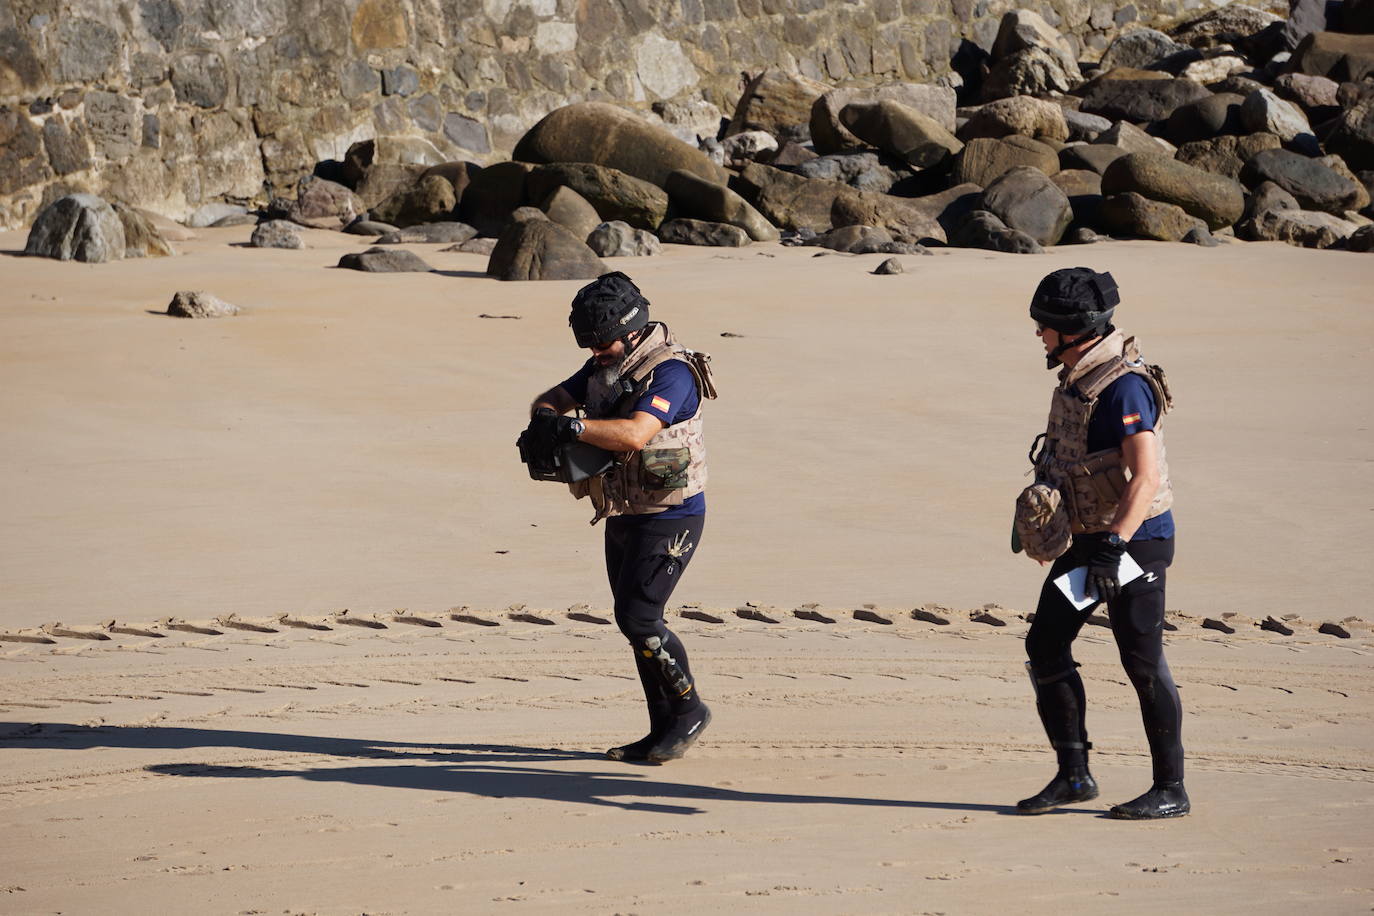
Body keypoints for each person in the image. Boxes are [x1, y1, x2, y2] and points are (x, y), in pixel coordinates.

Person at [1011, 267, 1188, 819]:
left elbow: (1146, 478)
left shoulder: (1126, 387)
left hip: (1135, 547)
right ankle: (1074, 776)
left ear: (1072, 328)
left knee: (1142, 661)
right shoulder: (1076, 377)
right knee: (1045, 644)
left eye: (1044, 326)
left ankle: (1170, 789)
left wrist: (1116, 545)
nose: (1038, 334)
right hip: (1088, 546)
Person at [524, 271, 715, 764]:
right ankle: (661, 730)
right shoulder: (606, 364)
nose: (594, 354)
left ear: (632, 329)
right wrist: (546, 419)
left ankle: (690, 711)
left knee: (640, 617)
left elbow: (634, 434)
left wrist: (576, 425)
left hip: (671, 518)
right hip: (622, 511)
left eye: (601, 343)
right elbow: (552, 399)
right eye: (588, 346)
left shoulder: (671, 373)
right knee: (634, 624)